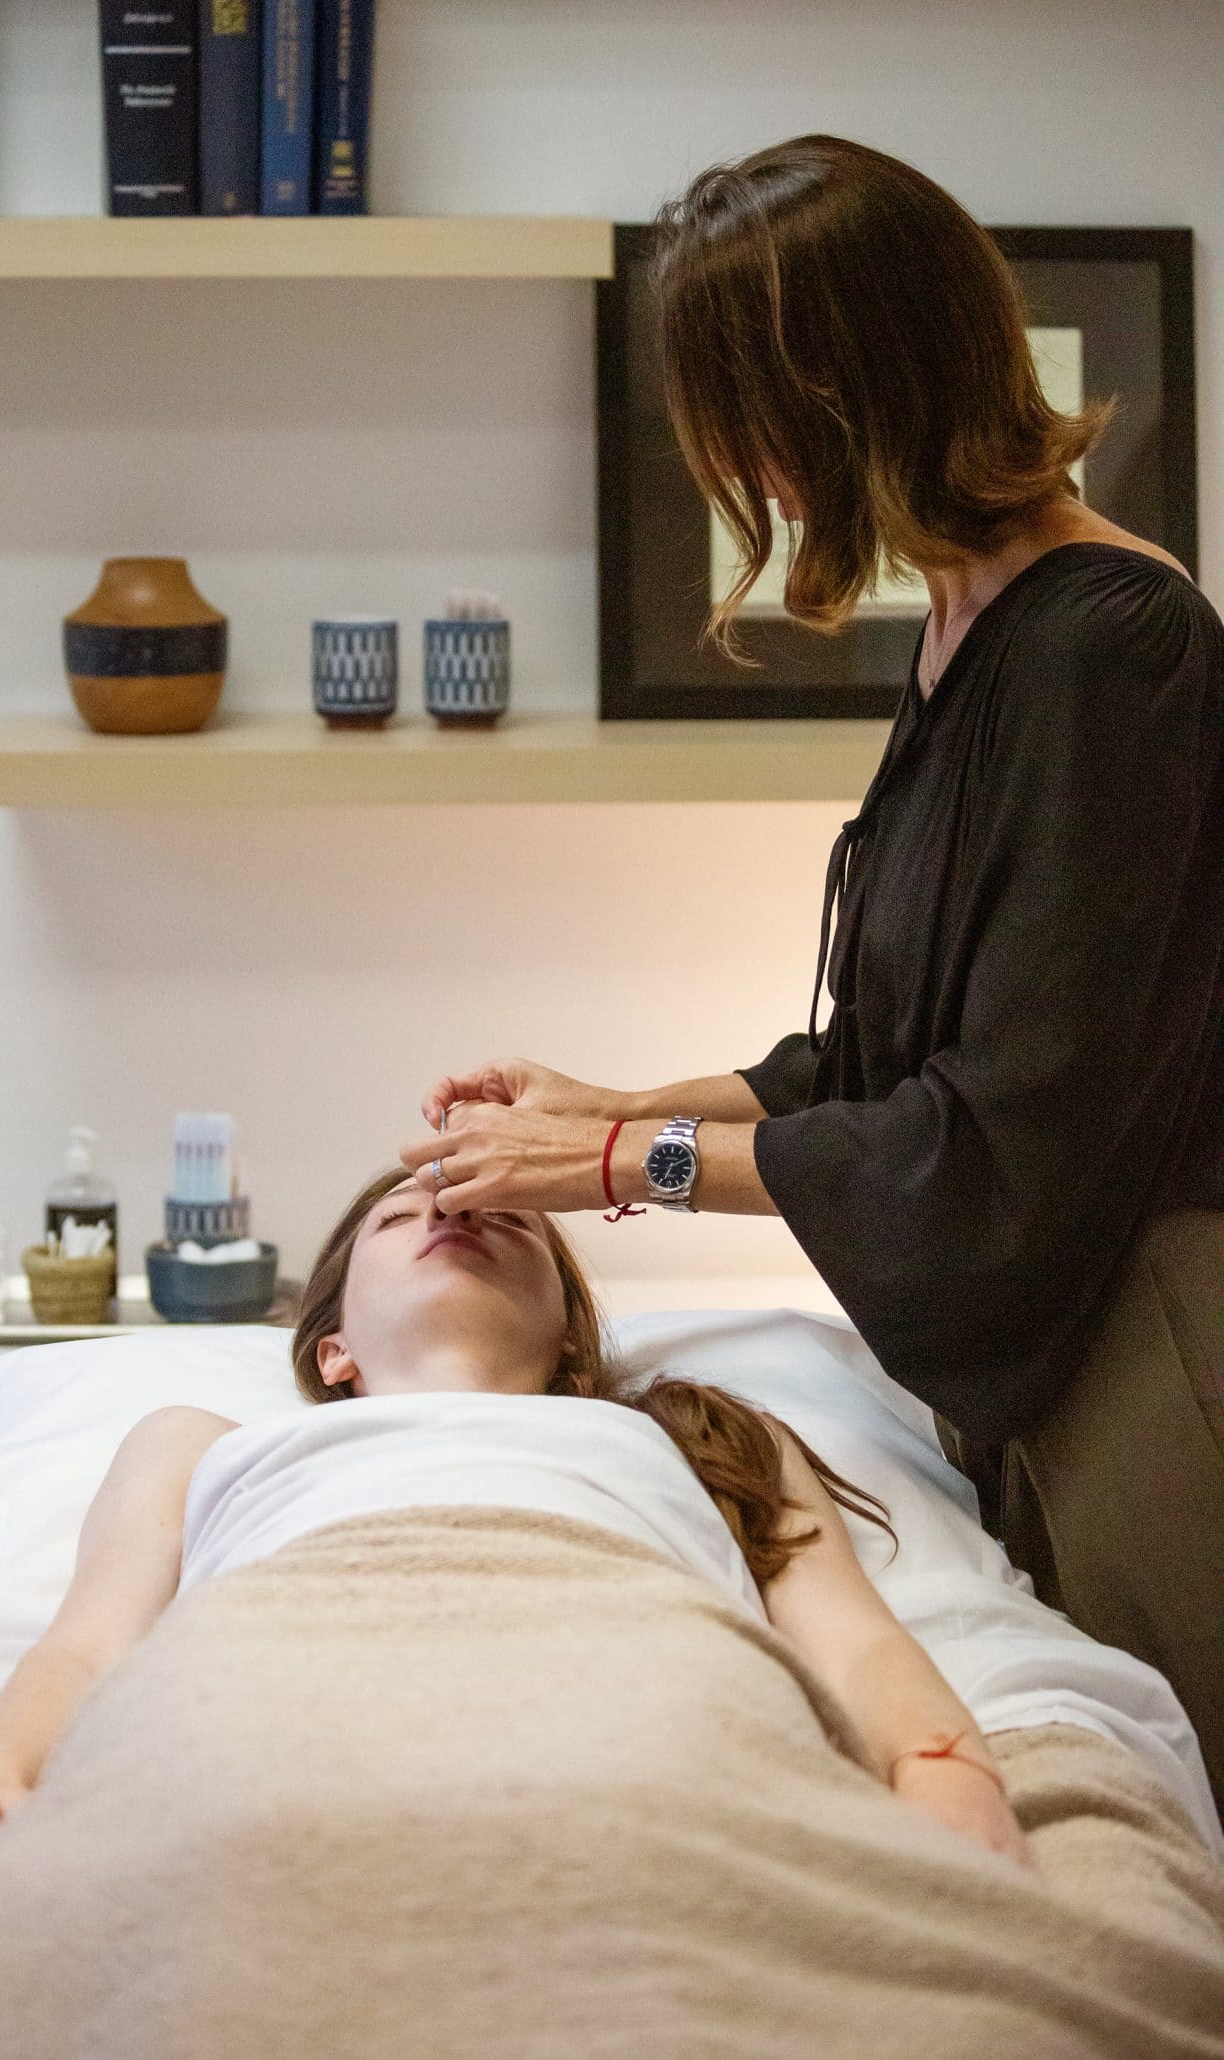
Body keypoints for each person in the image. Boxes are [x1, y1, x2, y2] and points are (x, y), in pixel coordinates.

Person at [397, 135, 1224, 1811]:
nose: (735, 466)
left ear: (847, 388)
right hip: (1058, 1333)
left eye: (743, 415)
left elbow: (995, 1133)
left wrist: (623, 1162)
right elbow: (875, 1062)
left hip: (1151, 1339)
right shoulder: (971, 624)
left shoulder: (1105, 648)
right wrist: (613, 1105)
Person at [0, 1169, 1041, 1879]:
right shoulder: (204, 1443)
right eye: (402, 1215)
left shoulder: (693, 1434)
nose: (445, 1208)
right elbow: (88, 1645)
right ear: (332, 1351)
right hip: (265, 1708)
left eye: (502, 1216)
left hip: (648, 1715)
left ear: (571, 1344)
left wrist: (942, 1769)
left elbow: (851, 1637)